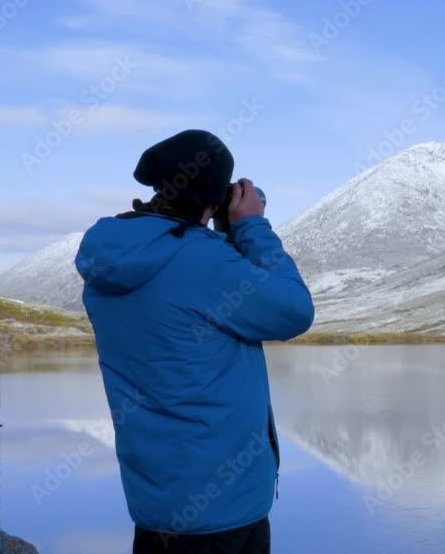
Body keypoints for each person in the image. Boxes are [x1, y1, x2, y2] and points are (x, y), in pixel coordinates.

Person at [75, 129, 315, 554]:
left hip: (156, 502)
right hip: (223, 507)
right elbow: (295, 310)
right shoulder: (202, 261)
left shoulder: (112, 259)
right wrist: (251, 227)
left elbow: (185, 285)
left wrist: (220, 232)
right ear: (215, 194)